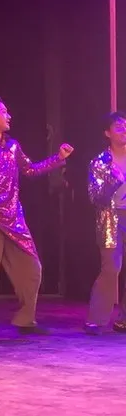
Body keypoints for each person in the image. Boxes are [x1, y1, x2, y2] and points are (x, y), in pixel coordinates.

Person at [0, 96, 73, 342]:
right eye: (3, 112)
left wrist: (58, 158)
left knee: (32, 268)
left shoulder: (12, 145)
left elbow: (30, 169)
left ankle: (25, 319)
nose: (8, 116)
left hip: (12, 212)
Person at [84, 112, 126, 334]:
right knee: (111, 267)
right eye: (118, 127)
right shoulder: (100, 163)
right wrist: (114, 183)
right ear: (107, 133)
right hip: (111, 218)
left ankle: (124, 320)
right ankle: (96, 319)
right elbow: (96, 197)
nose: (124, 130)